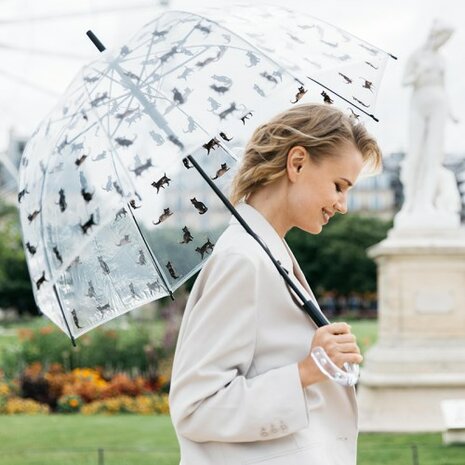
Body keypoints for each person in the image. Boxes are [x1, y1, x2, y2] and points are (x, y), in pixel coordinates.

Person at [169, 103, 382, 465]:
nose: (343, 205)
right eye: (338, 186)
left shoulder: (267, 251)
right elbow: (196, 408)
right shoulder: (242, 260)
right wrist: (305, 371)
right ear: (297, 163)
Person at [396, 19, 460, 226]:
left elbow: (444, 87)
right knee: (414, 154)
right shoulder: (417, 56)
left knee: (435, 155)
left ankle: (427, 203)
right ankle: (412, 202)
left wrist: (451, 112)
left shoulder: (442, 59)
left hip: (438, 103)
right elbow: (404, 81)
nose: (444, 41)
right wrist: (417, 74)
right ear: (435, 35)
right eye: (443, 37)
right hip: (419, 102)